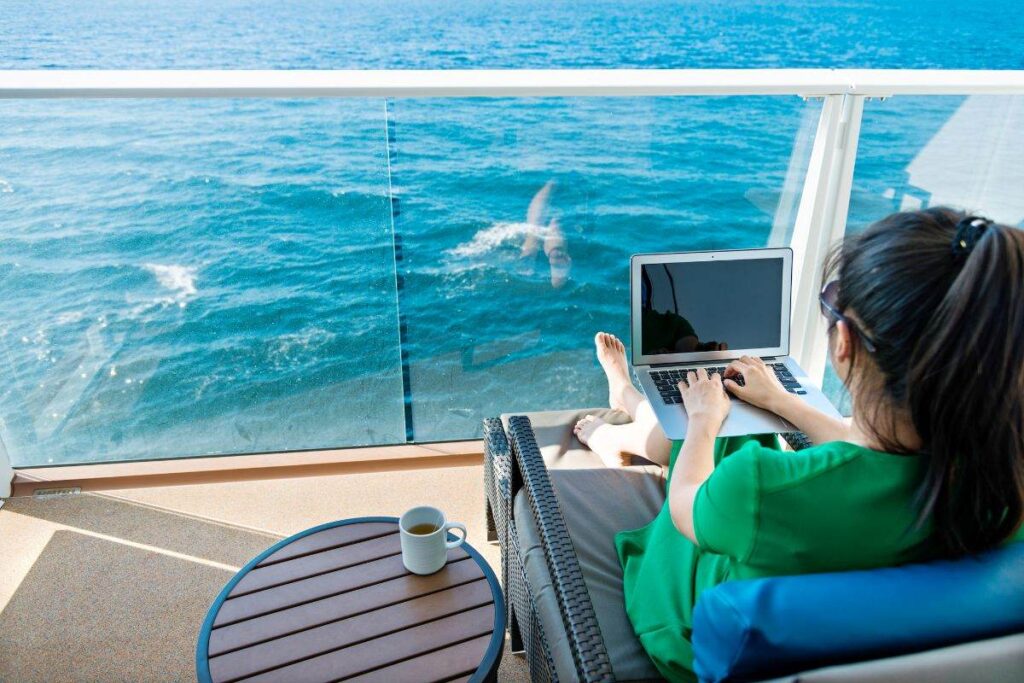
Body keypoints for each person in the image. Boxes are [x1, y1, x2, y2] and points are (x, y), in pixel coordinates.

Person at [573, 207, 1024, 682]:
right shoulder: (1003, 481)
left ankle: (618, 418)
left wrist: (706, 420)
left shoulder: (758, 488)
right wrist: (781, 401)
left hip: (695, 634)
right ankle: (628, 406)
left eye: (832, 303)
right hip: (874, 645)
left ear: (844, 342)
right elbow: (870, 454)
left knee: (722, 437)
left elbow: (686, 506)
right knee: (752, 427)